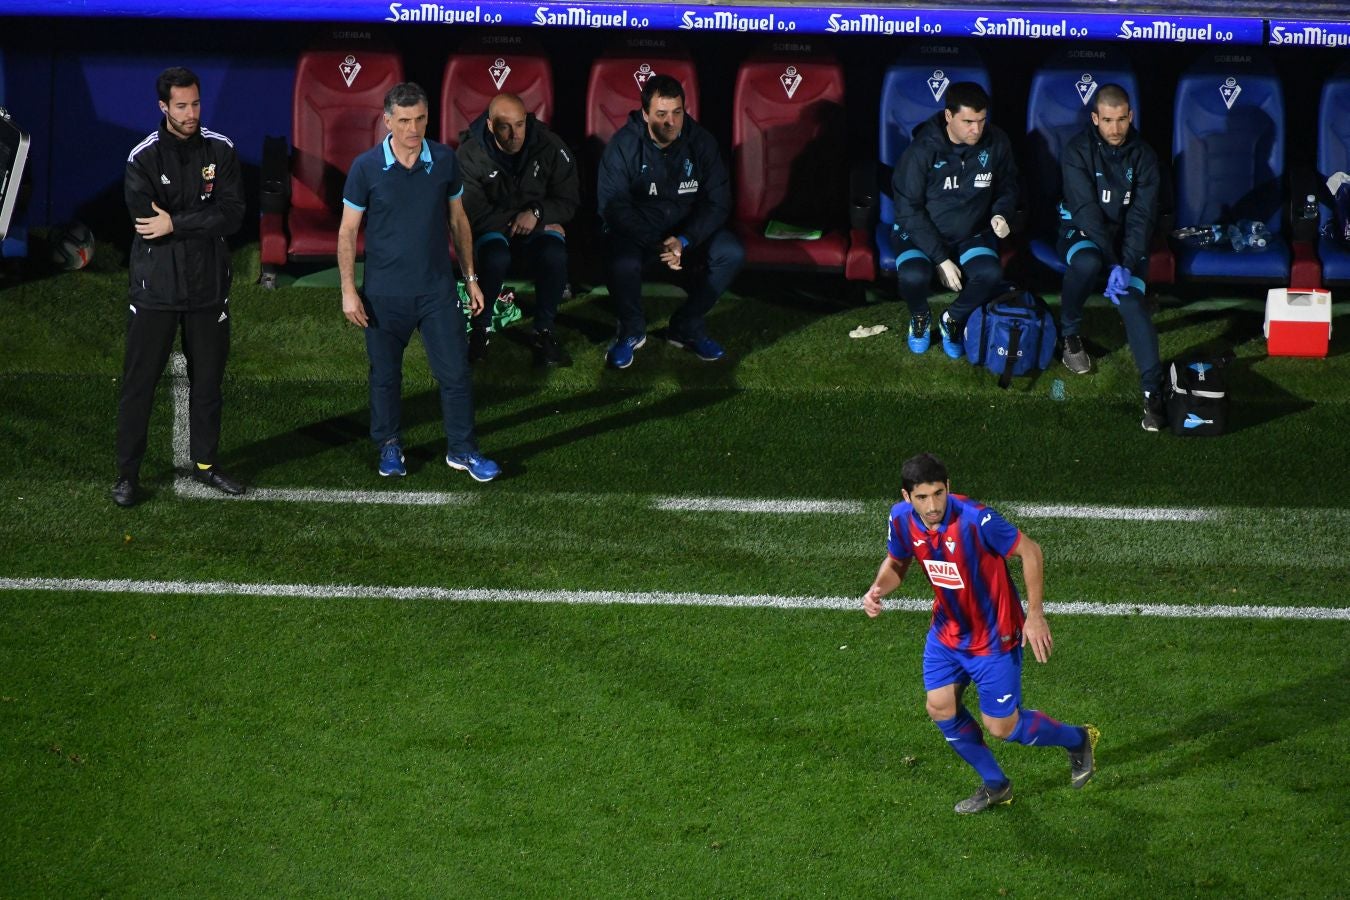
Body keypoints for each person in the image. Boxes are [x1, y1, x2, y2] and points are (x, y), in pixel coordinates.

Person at [862, 452, 1098, 815]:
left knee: (1002, 727)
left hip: (994, 640)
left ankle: (1077, 738)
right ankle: (996, 784)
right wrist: (877, 589)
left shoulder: (976, 519)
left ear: (948, 488)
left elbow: (1030, 551)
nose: (932, 505)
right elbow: (897, 562)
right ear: (907, 497)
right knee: (939, 707)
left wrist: (1034, 615)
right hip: (946, 634)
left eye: (938, 493)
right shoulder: (900, 519)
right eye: (922, 497)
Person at [338, 82, 499, 482]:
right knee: (386, 376)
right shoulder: (365, 168)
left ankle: (463, 450)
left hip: (436, 293)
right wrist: (348, 290)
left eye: (421, 119)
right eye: (405, 120)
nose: (413, 128)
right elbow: (347, 232)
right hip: (383, 296)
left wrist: (472, 278)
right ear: (388, 121)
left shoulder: (444, 160)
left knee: (456, 374)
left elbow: (458, 219)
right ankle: (390, 445)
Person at [113, 66, 245, 508]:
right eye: (182, 106)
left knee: (208, 382)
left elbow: (232, 215)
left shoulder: (221, 150)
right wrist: (194, 221)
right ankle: (127, 475)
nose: (190, 113)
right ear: (163, 107)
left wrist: (178, 220)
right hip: (156, 291)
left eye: (196, 104)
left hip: (208, 289)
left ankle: (207, 465)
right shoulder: (142, 159)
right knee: (139, 384)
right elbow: (148, 225)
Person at [596, 74, 744, 369]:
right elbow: (614, 208)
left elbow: (718, 202)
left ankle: (687, 325)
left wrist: (685, 240)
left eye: (677, 112)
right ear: (645, 114)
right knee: (620, 259)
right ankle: (632, 329)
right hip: (640, 235)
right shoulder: (623, 146)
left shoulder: (701, 142)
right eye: (661, 114)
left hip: (687, 235)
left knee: (731, 252)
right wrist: (659, 243)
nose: (671, 122)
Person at [1057, 84, 1166, 431]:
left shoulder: (1145, 156)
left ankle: (1153, 393)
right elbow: (1086, 211)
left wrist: (1128, 264)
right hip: (1082, 231)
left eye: (1121, 119)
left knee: (1132, 302)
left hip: (1124, 244)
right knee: (1087, 263)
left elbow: (1141, 217)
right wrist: (1112, 261)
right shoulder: (1077, 151)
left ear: (1130, 116)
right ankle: (1070, 334)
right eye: (1107, 120)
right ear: (1095, 118)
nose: (1115, 129)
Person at [891, 82, 1018, 359]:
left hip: (970, 231)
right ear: (949, 116)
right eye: (969, 121)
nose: (977, 129)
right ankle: (920, 316)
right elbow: (907, 209)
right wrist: (940, 258)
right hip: (921, 232)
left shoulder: (997, 142)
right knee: (913, 276)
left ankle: (952, 318)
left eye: (982, 120)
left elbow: (1008, 186)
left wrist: (1001, 213)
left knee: (990, 273)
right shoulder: (922, 150)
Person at [457, 92, 580, 368]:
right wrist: (521, 220)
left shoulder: (549, 145)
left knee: (554, 251)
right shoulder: (469, 153)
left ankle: (544, 330)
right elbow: (472, 213)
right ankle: (480, 330)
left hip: (534, 225)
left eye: (520, 124)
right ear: (490, 126)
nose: (514, 134)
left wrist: (537, 213)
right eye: (505, 126)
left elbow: (569, 200)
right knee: (495, 255)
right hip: (492, 229)